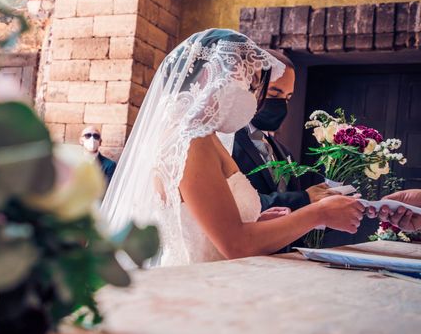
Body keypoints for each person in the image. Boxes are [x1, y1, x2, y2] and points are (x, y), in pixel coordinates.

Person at [101, 29, 364, 266]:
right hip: (200, 281)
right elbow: (236, 245)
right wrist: (318, 213)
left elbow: (214, 228)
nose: (253, 99)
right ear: (208, 76)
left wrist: (259, 223)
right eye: (248, 86)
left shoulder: (206, 136)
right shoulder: (190, 140)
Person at [233, 50, 334, 212]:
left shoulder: (282, 150)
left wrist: (324, 204)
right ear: (248, 85)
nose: (282, 105)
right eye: (274, 93)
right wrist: (305, 198)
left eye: (287, 98)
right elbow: (234, 204)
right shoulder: (227, 141)